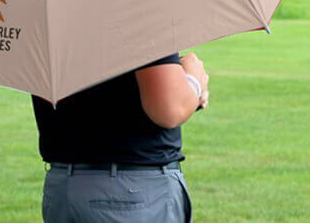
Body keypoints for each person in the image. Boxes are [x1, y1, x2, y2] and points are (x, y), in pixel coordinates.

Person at [32, 52, 209, 222]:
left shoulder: (46, 22)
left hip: (63, 187)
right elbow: (170, 109)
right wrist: (194, 82)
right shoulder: (141, 20)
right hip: (130, 190)